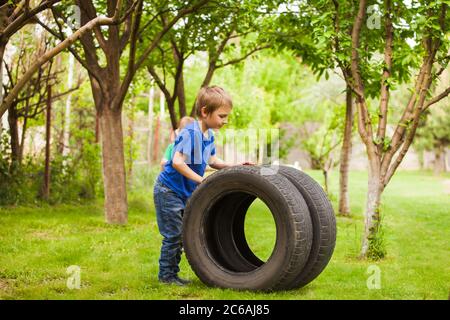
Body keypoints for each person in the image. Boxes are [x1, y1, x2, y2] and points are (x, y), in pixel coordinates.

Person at [153, 86, 253, 286]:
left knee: (184, 233)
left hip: (185, 191)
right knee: (174, 235)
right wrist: (202, 181)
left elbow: (213, 161)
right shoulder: (190, 132)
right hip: (169, 191)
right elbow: (177, 162)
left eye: (226, 117)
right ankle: (167, 276)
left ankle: (172, 274)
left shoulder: (209, 135)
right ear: (205, 112)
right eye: (222, 116)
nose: (225, 121)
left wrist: (236, 165)